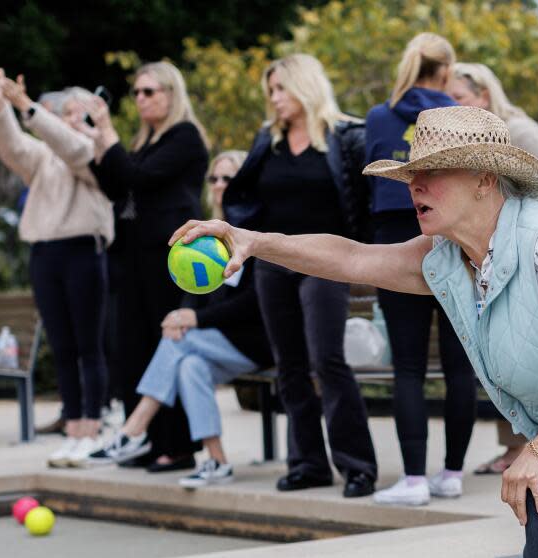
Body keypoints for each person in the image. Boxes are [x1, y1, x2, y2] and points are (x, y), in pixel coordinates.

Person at [172, 106, 538, 558]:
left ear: (484, 180)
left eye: (431, 174)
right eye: (411, 175)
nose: (413, 186)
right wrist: (252, 240)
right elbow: (350, 258)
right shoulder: (448, 260)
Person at [223, 53, 377, 499]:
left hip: (326, 260)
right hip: (273, 261)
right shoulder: (266, 141)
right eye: (270, 91)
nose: (273, 99)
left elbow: (364, 200)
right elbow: (242, 193)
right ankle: (307, 463)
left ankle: (356, 466)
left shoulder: (345, 137)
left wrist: (362, 252)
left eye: (280, 89)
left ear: (304, 86)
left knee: (326, 360)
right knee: (288, 365)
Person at [89, 152, 273, 488]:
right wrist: (182, 313)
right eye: (213, 179)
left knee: (182, 339)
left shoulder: (257, 231)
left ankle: (135, 428)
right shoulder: (207, 234)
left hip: (257, 339)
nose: (219, 186)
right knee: (190, 366)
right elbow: (193, 289)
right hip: (216, 343)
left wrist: (195, 319)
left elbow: (254, 303)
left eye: (227, 178)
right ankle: (216, 461)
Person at [0, 63, 114, 467]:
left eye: (77, 113)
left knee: (89, 346)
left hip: (83, 251)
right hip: (45, 254)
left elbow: (74, 148)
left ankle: (92, 427)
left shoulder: (96, 154)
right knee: (64, 347)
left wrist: (32, 110)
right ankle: (72, 430)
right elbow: (14, 148)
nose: (69, 120)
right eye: (64, 112)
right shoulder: (45, 158)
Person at [80, 61, 209, 473]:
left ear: (171, 93)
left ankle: (177, 444)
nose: (140, 99)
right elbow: (115, 185)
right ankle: (145, 439)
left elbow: (140, 178)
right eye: (136, 92)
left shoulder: (184, 136)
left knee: (166, 344)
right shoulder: (144, 141)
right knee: (130, 348)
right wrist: (99, 142)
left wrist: (110, 136)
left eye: (149, 91)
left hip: (169, 255)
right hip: (133, 255)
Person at [364, 32, 477, 506]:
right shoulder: (463, 119)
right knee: (459, 366)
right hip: (456, 240)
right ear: (447, 72)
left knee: (407, 367)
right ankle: (451, 473)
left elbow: (368, 187)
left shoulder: (378, 118)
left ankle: (412, 480)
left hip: (395, 243)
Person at [447, 62, 538, 475]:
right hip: (492, 263)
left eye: (458, 98)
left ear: (484, 95)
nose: (452, 106)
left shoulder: (519, 132)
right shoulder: (467, 144)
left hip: (533, 263)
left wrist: (534, 247)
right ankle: (515, 448)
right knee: (502, 353)